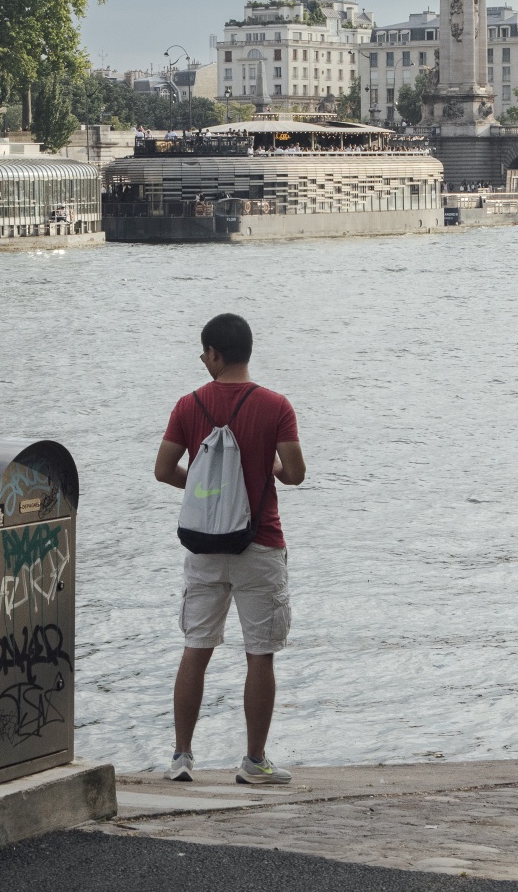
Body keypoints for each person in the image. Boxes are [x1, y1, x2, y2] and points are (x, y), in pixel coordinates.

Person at [153, 312, 306, 786]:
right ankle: (254, 762)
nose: (203, 361)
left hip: (204, 546)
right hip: (259, 544)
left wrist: (209, 495)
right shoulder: (276, 405)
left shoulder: (187, 405)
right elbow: (296, 472)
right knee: (259, 653)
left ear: (216, 354)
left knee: (195, 647)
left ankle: (181, 757)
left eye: (204, 354)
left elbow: (163, 470)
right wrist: (266, 477)